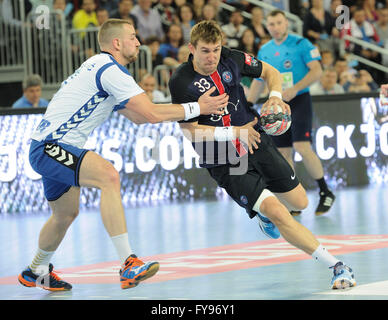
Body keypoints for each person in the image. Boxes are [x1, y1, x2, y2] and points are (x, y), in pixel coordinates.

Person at [17, 18, 229, 292]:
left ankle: (35, 270)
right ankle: (128, 263)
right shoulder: (110, 69)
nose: (139, 42)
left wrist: (189, 110)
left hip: (48, 146)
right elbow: (151, 113)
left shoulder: (101, 68)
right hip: (51, 145)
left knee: (65, 214)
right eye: (132, 37)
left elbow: (140, 118)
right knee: (108, 176)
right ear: (116, 43)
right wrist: (197, 107)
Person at [169, 20, 356, 290]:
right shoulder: (181, 80)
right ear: (191, 49)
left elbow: (270, 72)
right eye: (205, 51)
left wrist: (276, 96)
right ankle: (336, 265)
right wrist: (233, 133)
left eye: (216, 50)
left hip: (256, 138)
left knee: (300, 202)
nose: (212, 57)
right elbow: (190, 131)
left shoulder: (231, 59)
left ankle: (262, 212)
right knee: (279, 212)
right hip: (224, 157)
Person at [248, 10, 336, 216]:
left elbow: (317, 71)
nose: (275, 27)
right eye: (271, 24)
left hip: (299, 100)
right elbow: (258, 80)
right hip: (277, 104)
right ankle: (292, 199)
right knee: (284, 152)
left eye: (279, 23)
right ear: (267, 26)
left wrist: (295, 88)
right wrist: (249, 103)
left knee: (301, 146)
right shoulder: (265, 50)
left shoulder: (301, 44)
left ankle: (325, 191)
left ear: (286, 23)